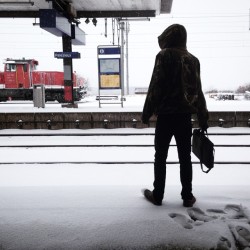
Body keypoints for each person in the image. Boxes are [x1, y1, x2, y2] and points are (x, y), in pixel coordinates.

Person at [141, 24, 208, 207]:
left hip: (165, 117)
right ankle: (187, 196)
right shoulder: (193, 60)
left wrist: (147, 112)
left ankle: (158, 195)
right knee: (185, 157)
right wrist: (203, 117)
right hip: (184, 118)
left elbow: (156, 85)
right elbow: (198, 91)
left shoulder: (164, 56)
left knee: (160, 156)